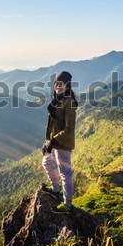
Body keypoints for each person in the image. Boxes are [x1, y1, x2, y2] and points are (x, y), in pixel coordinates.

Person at [42, 71, 78, 213]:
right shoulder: (57, 100)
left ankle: (67, 204)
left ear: (67, 86)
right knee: (46, 163)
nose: (58, 86)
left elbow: (69, 129)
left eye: (61, 84)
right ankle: (56, 189)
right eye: (56, 83)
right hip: (53, 141)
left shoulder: (69, 103)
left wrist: (53, 141)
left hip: (62, 143)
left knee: (65, 173)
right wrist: (47, 142)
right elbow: (53, 124)